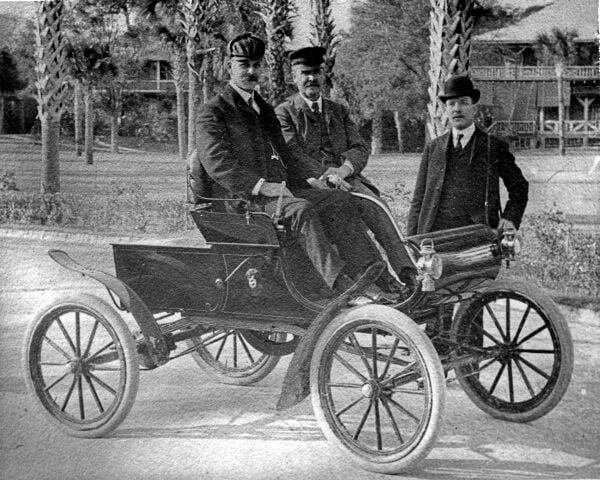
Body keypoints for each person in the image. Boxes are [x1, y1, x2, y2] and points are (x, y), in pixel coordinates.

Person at [189, 33, 397, 301]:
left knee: (339, 200)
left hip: (275, 195)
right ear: (230, 67)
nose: (251, 71)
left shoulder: (263, 108)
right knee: (301, 210)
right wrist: (264, 187)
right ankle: (340, 286)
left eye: (256, 64)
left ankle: (375, 277)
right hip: (240, 201)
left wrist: (317, 179)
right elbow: (217, 163)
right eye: (244, 64)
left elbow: (285, 156)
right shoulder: (213, 111)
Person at [275, 46, 415, 291]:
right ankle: (381, 281)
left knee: (377, 207)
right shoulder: (285, 113)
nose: (311, 78)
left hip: (347, 178)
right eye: (305, 73)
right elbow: (292, 154)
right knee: (346, 209)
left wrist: (344, 170)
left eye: (316, 72)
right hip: (311, 183)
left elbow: (360, 147)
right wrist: (326, 175)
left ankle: (409, 274)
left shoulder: (338, 110)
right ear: (293, 77)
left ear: (323, 75)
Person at [407, 74, 529, 354]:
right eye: (451, 104)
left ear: (474, 107)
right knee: (435, 298)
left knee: (473, 299)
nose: (457, 109)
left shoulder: (491, 146)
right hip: (435, 235)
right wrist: (411, 239)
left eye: (463, 102)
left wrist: (509, 219)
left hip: (476, 237)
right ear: (445, 109)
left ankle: (469, 363)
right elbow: (418, 199)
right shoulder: (434, 147)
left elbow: (519, 188)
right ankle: (436, 362)